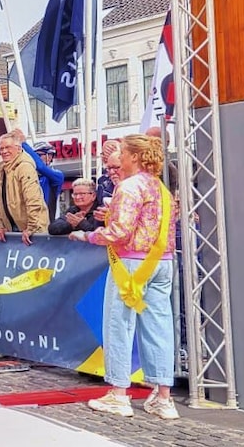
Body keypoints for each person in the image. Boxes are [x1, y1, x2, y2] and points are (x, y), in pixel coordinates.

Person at [72, 134, 179, 420]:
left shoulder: (129, 187)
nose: (117, 156)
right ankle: (164, 398)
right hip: (162, 262)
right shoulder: (161, 188)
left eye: (122, 151)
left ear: (132, 156)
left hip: (130, 264)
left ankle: (119, 394)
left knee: (119, 325)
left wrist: (86, 235)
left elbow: (119, 232)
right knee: (159, 327)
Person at [0, 132, 49, 246]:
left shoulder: (25, 167)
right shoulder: (2, 170)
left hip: (31, 231)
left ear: (18, 149)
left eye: (8, 147)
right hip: (13, 230)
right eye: (1, 148)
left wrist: (32, 228)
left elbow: (33, 199)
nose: (4, 151)